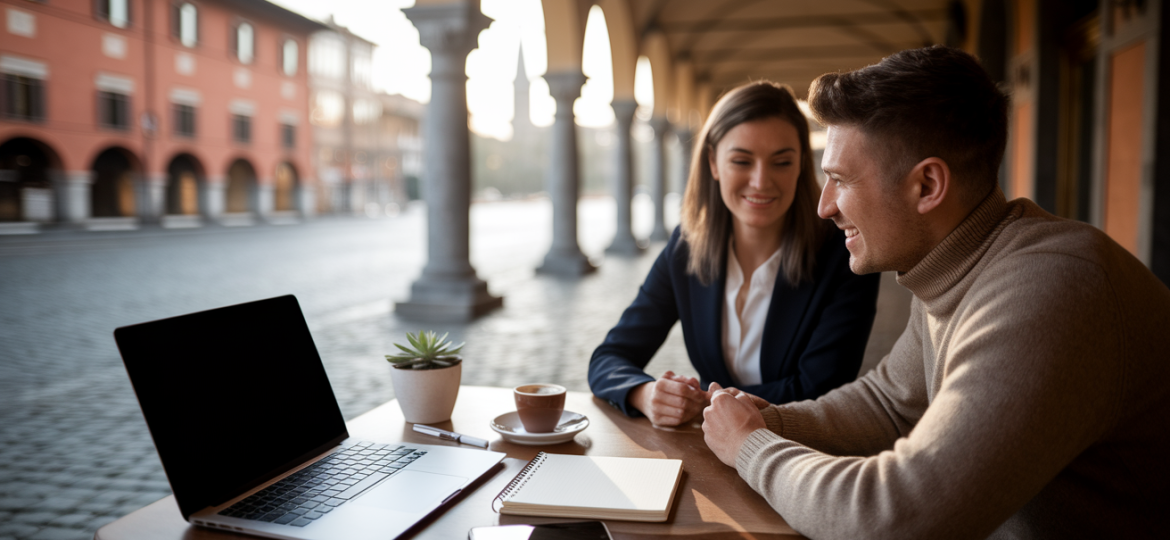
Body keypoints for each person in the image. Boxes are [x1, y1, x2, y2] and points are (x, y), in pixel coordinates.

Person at [702, 46, 1170, 539]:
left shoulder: (1051, 290)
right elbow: (889, 403)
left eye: (839, 179)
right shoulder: (956, 267)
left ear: (927, 185)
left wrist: (752, 448)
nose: (824, 207)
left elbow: (899, 516)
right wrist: (771, 421)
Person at [588, 81, 881, 427]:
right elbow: (609, 358)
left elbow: (819, 389)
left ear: (802, 163)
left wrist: (702, 404)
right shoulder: (686, 248)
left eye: (781, 162)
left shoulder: (846, 255)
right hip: (714, 455)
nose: (760, 181)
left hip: (803, 455)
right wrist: (647, 394)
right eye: (742, 160)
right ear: (713, 162)